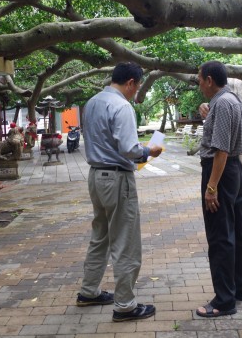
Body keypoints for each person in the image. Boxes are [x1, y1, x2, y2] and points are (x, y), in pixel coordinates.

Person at [76, 62, 163, 322]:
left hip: (95, 176)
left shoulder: (92, 102)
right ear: (131, 83)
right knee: (125, 241)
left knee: (100, 236)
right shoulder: (122, 106)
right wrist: (150, 150)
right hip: (117, 178)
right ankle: (125, 305)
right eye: (136, 88)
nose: (135, 94)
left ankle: (89, 291)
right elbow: (129, 148)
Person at [195, 60, 242, 318]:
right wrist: (209, 115)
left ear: (209, 80)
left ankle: (224, 301)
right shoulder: (233, 101)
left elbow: (221, 150)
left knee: (220, 236)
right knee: (238, 231)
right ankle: (241, 289)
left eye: (199, 80)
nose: (199, 86)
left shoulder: (222, 103)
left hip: (221, 170)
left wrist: (211, 187)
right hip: (235, 172)